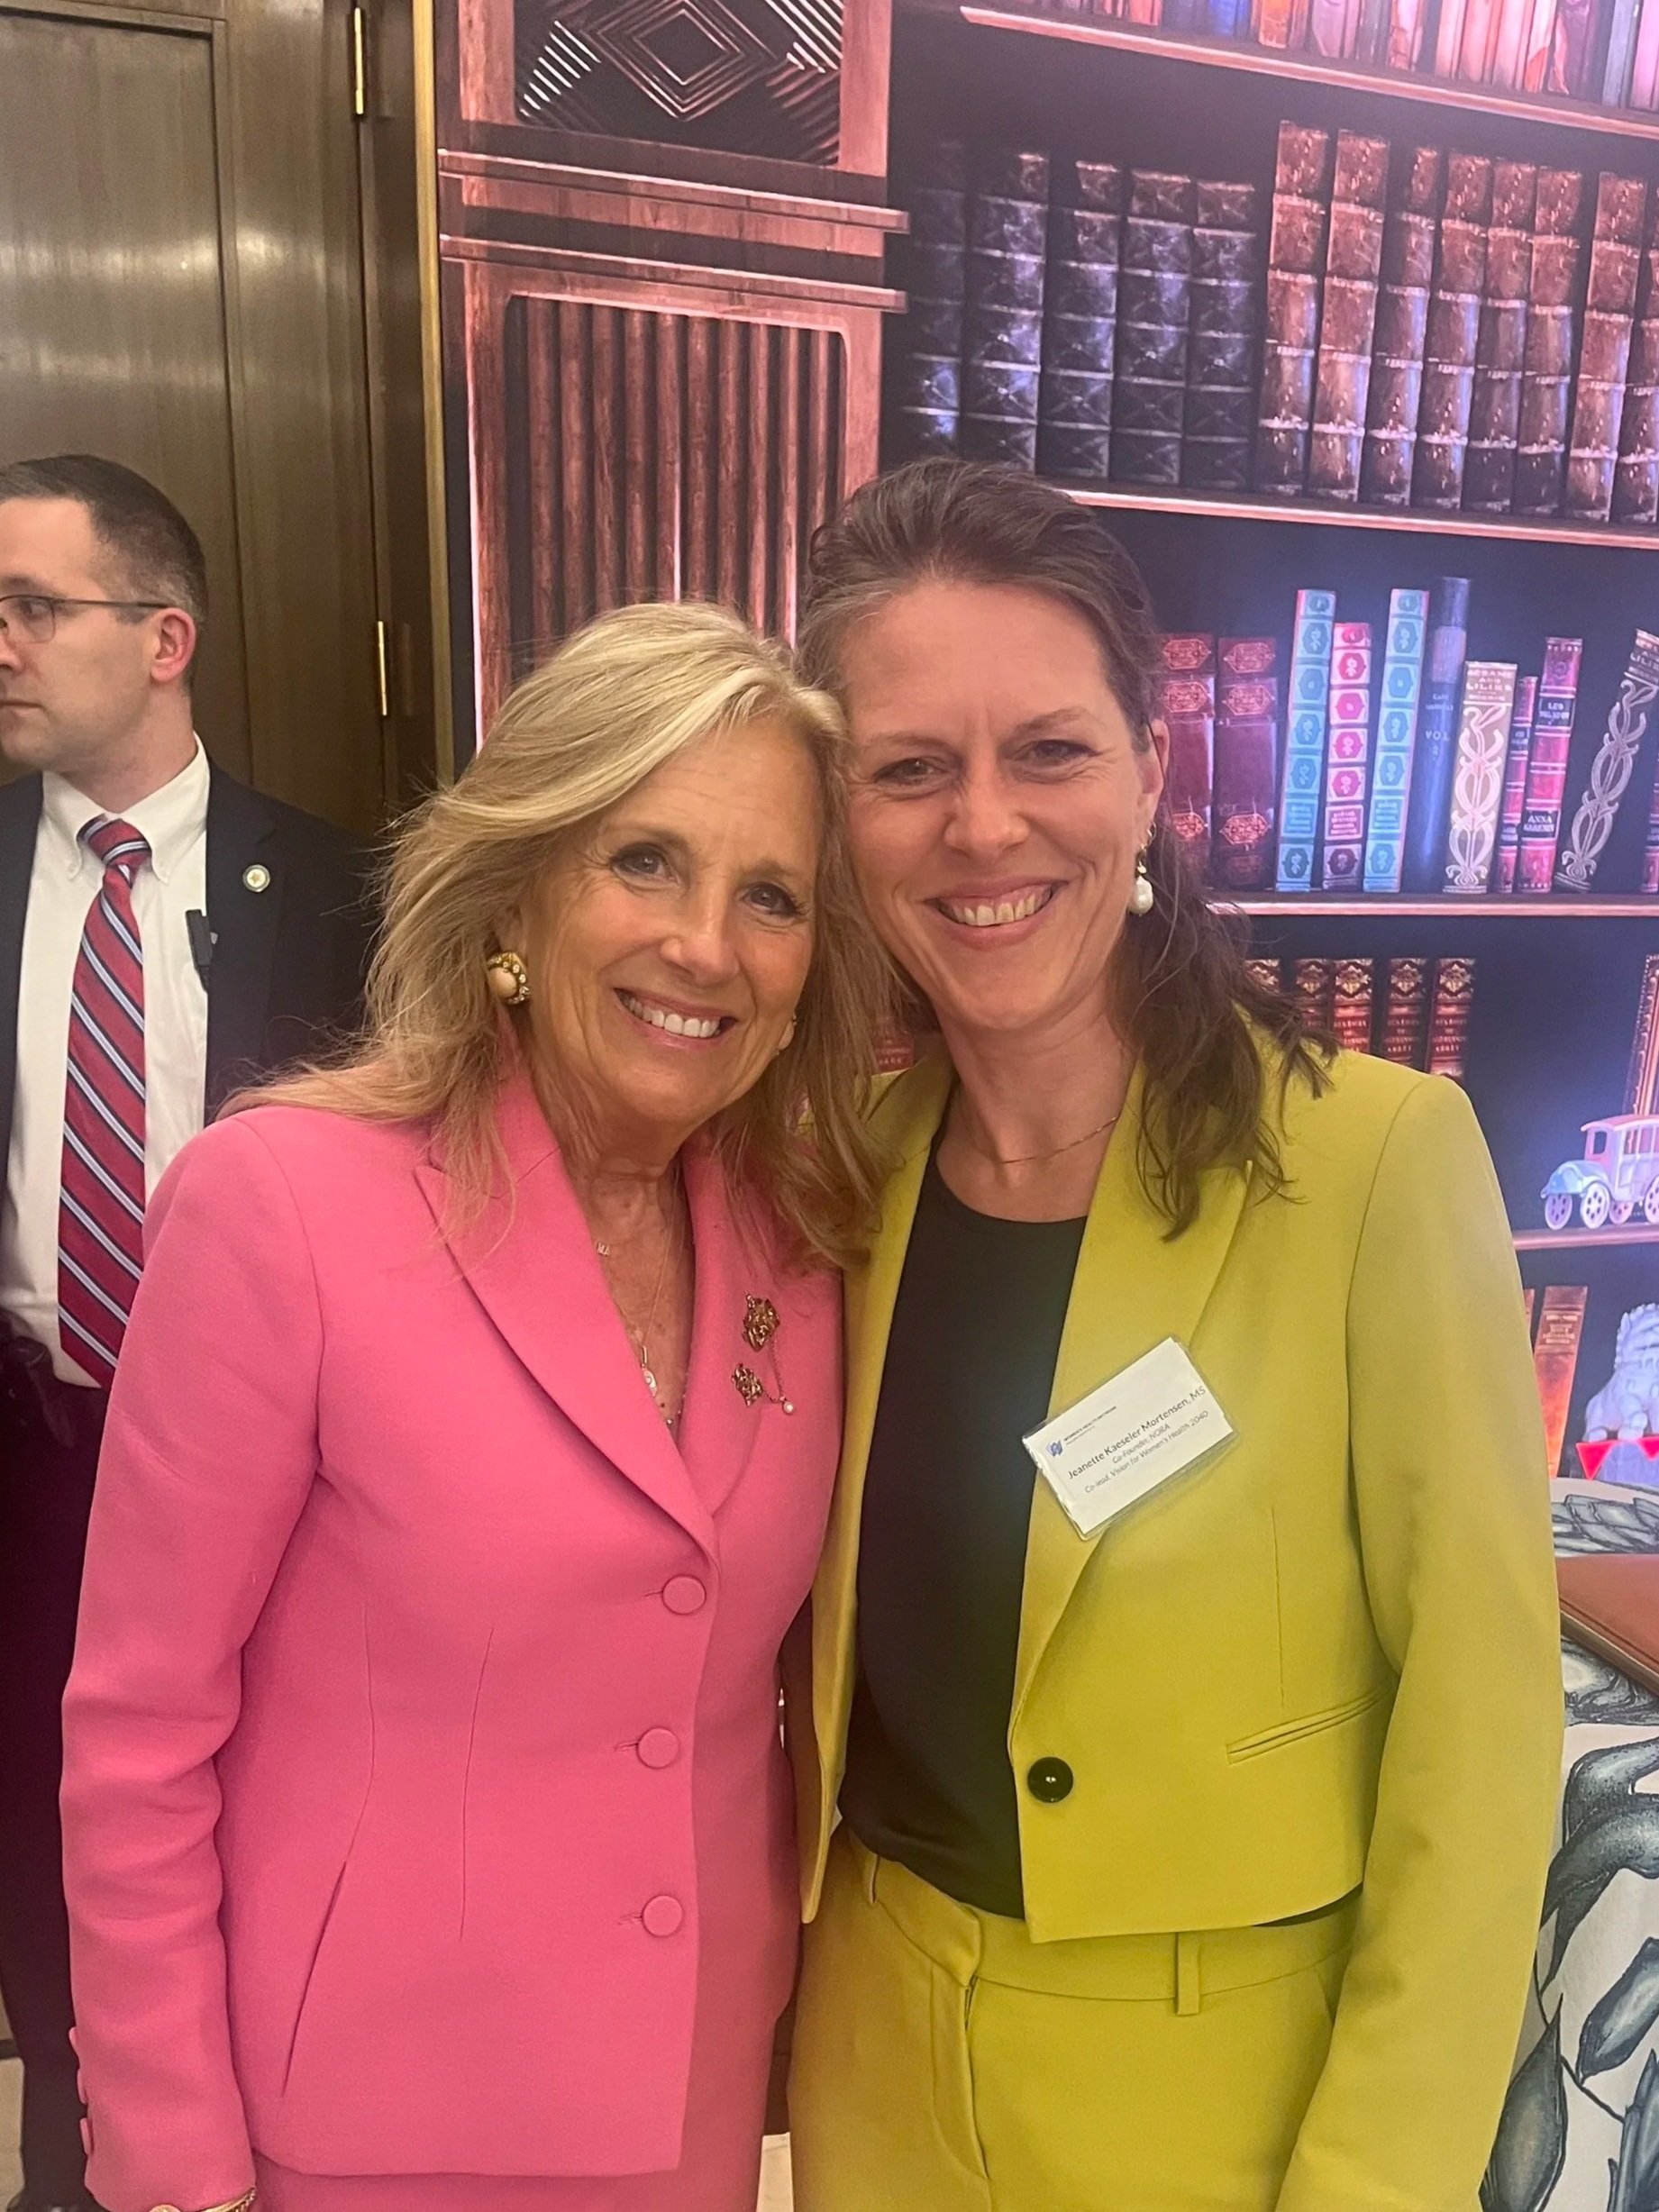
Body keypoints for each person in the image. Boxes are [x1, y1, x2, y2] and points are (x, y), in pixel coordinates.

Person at [784, 459, 1563, 2212]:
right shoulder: (840, 1179)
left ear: (1151, 771)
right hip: (875, 2071)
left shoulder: (1372, 1158)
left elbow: (1481, 1738)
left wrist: (1375, 2183)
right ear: (843, 817)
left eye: (1046, 750)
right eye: (910, 769)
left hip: (1228, 2109)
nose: (982, 828)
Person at [59, 599, 890, 2212]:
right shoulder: (281, 1204)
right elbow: (140, 1734)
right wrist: (170, 2150)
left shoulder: (806, 1249)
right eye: (643, 860)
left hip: (691, 2105)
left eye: (770, 896)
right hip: (365, 2119)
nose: (704, 944)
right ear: (518, 883)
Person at [0, 454, 373, 2212]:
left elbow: (499, 1018)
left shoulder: (348, 885)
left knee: (254, 1820)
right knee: (49, 1851)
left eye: (31, 607)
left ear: (166, 637)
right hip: (30, 1451)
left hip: (280, 1479)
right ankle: (90, 2172)